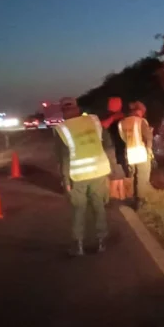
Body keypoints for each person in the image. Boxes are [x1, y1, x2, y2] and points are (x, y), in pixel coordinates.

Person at [53, 98, 111, 256]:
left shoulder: (62, 129)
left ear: (63, 112)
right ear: (77, 108)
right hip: (99, 171)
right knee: (98, 206)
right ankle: (102, 242)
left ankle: (78, 246)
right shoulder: (93, 120)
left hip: (77, 175)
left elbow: (63, 157)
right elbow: (106, 144)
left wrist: (65, 181)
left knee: (78, 209)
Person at [119, 101, 153, 209]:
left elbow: (123, 138)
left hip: (130, 153)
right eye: (143, 111)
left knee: (133, 176)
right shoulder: (140, 121)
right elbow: (148, 137)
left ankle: (133, 197)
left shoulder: (122, 122)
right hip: (141, 152)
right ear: (139, 110)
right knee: (142, 177)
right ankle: (140, 200)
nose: (143, 114)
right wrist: (149, 150)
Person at [100, 96, 126, 201]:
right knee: (116, 176)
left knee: (118, 176)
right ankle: (115, 199)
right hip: (113, 150)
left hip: (114, 150)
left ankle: (120, 198)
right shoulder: (113, 118)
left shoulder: (109, 117)